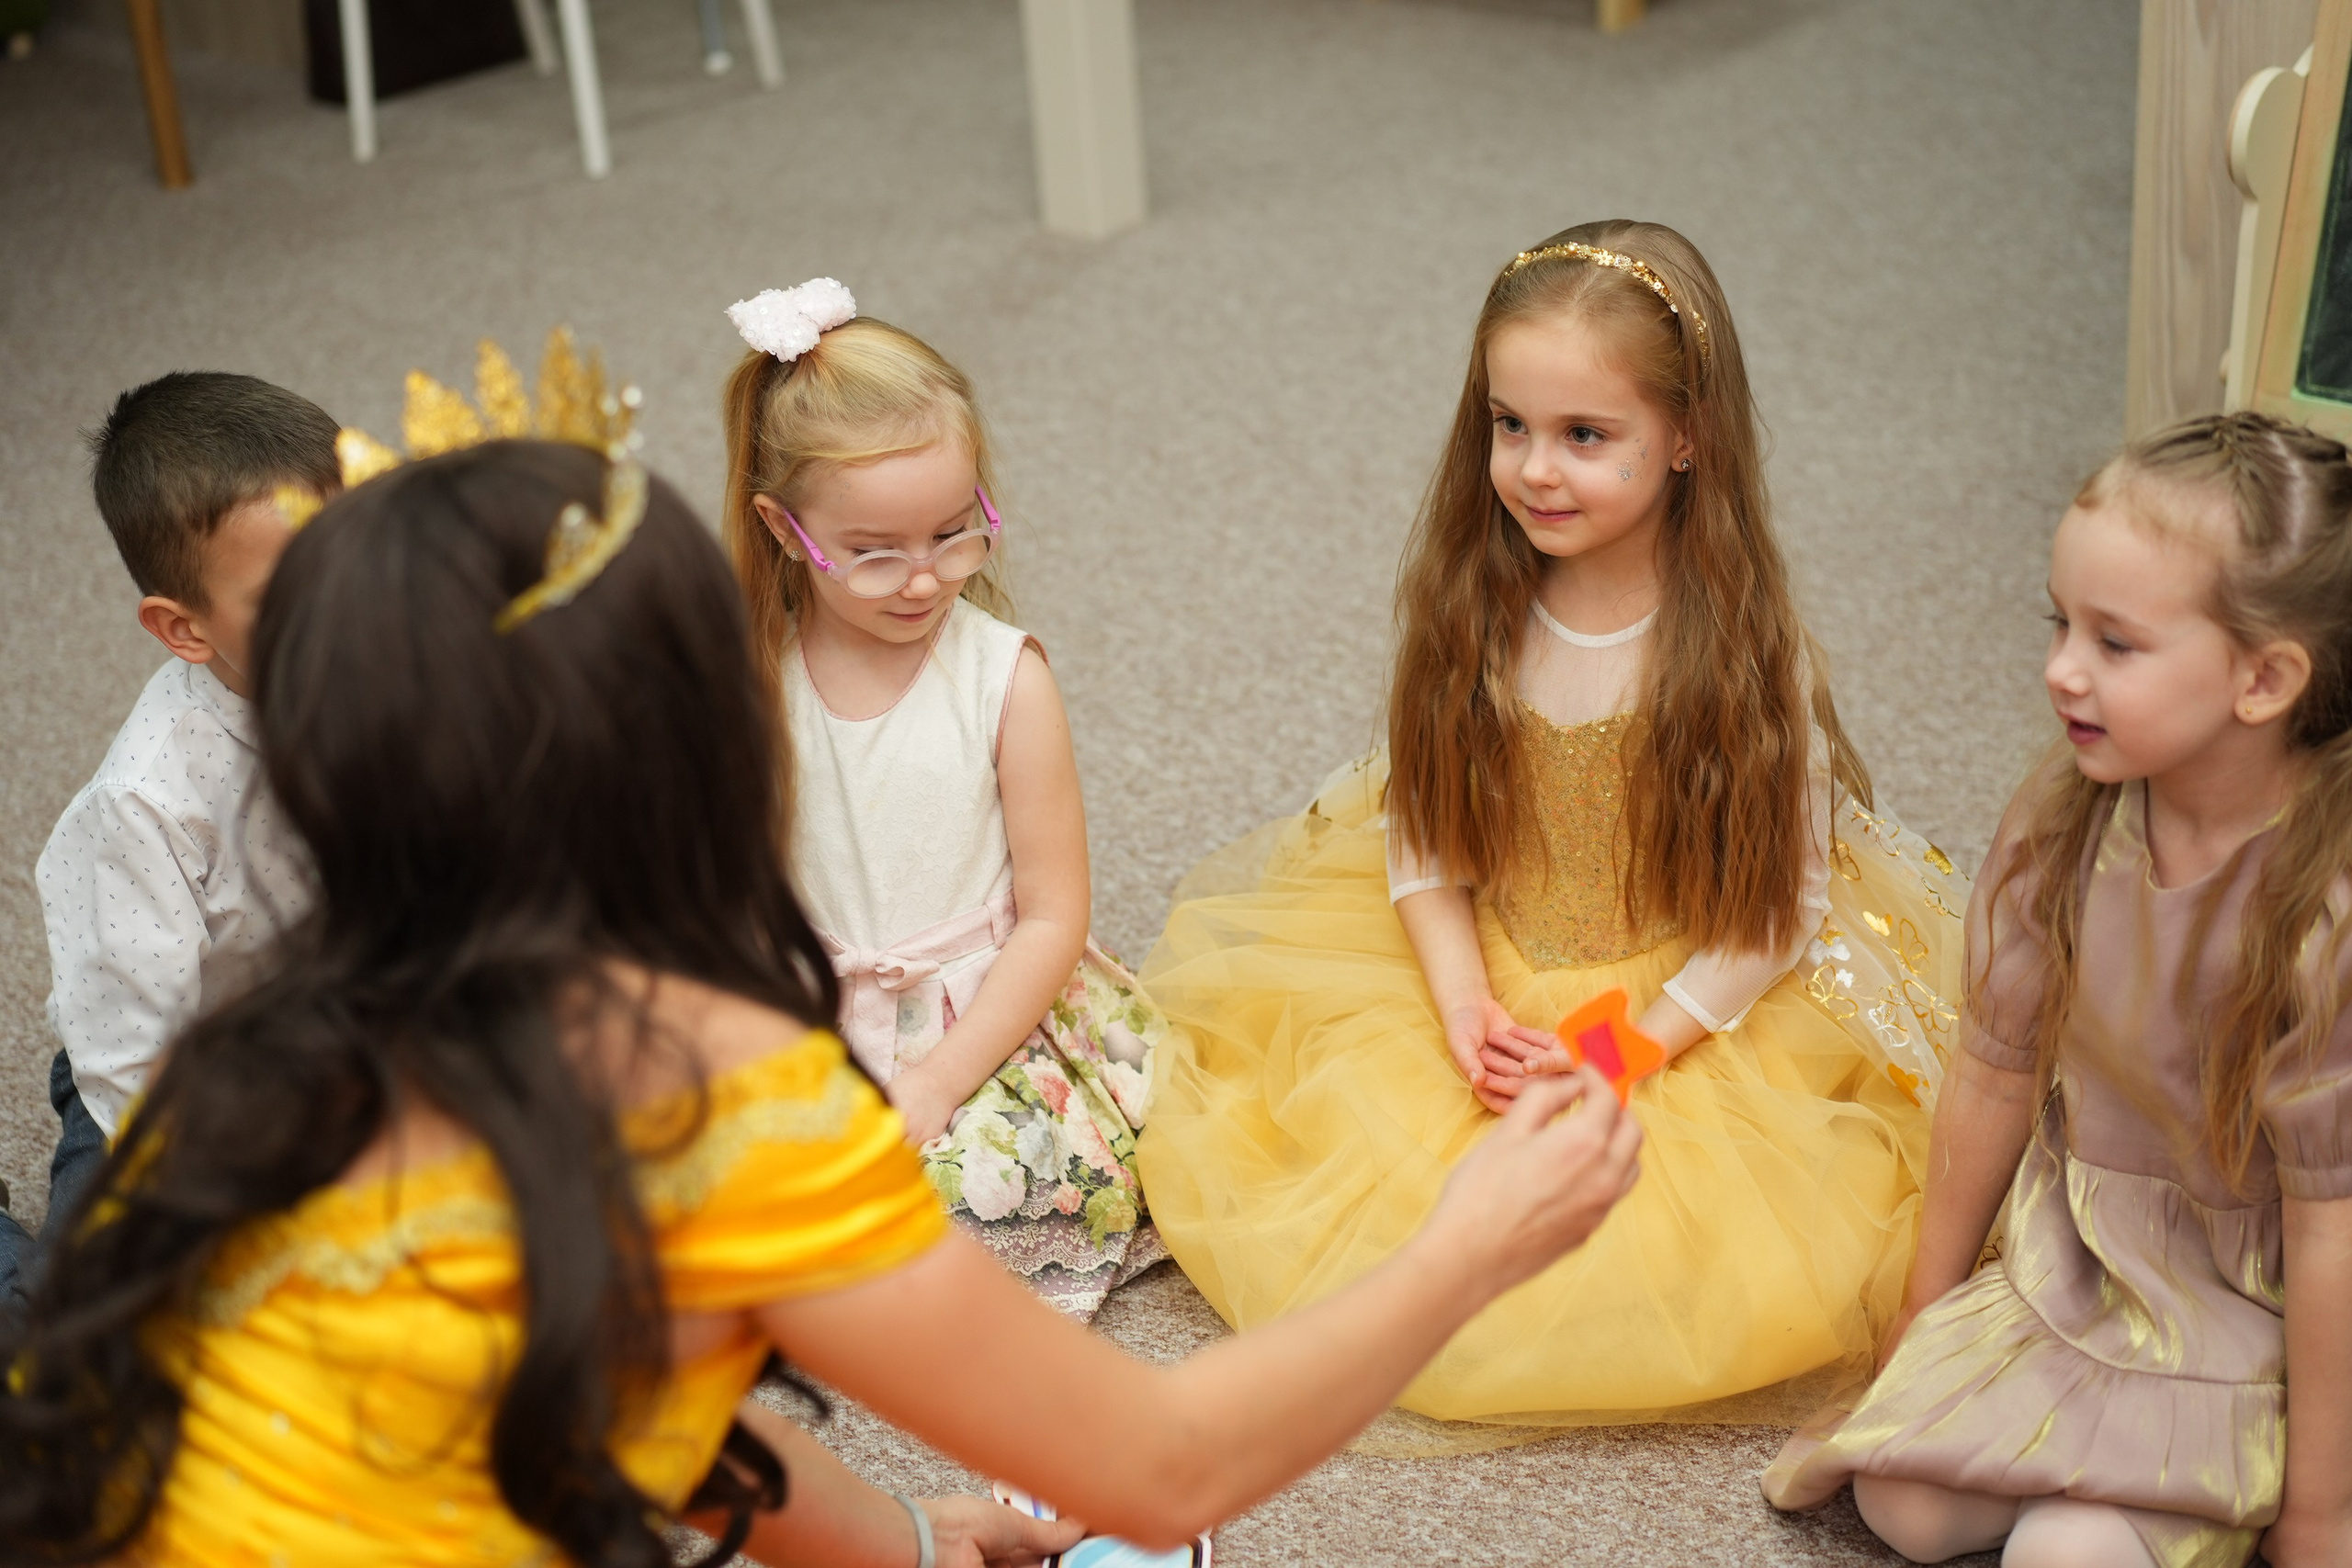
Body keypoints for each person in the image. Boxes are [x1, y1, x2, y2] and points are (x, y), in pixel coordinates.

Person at [0, 436, 1644, 1566]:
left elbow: (594, 1382)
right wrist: (1472, 1240)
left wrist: (910, 1539)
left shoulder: (262, 1046)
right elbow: (1167, 1463)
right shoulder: (705, 1092)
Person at [1136, 220, 1968, 1443]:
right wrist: (1466, 1002)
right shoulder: (1474, 601)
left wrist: (1627, 1051)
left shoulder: (1741, 649)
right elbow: (1421, 826)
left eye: (1586, 435)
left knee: (1634, 1262)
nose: (1535, 468)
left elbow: (1774, 910)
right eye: (1509, 425)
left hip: (1690, 988)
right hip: (1490, 942)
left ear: (1689, 438)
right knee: (1351, 1192)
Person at [1764, 412, 2352, 1568]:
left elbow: (2330, 1228)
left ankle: (2204, 1482)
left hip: (2257, 1306)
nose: (2058, 671)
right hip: (2084, 1259)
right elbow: (1992, 1069)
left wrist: (2319, 1517)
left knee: (2065, 1553)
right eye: (2058, 623)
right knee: (1902, 1502)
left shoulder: (2319, 910)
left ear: (2264, 679)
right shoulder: (2064, 825)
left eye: (2114, 645)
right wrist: (1919, 1325)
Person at [720, 279, 1165, 1316]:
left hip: (983, 1024)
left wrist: (933, 1083)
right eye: (874, 555)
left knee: (975, 1201)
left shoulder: (1005, 677)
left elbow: (1055, 916)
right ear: (786, 531)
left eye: (955, 536)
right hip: (808, 1018)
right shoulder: (750, 677)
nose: (924, 580)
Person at [0, 372, 334, 1310]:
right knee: (77, 1358)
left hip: (326, 1035)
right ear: (182, 629)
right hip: (165, 1088)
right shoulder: (146, 805)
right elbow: (137, 1078)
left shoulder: (382, 666)